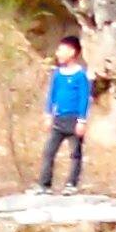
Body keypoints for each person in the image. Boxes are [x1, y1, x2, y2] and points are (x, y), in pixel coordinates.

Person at [40, 36, 94, 190]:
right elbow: (52, 95)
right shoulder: (57, 74)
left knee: (75, 154)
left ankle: (71, 183)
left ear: (71, 52)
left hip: (74, 120)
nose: (58, 53)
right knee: (48, 152)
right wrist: (48, 114)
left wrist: (82, 120)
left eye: (61, 50)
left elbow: (84, 98)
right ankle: (44, 184)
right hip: (59, 119)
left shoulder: (81, 75)